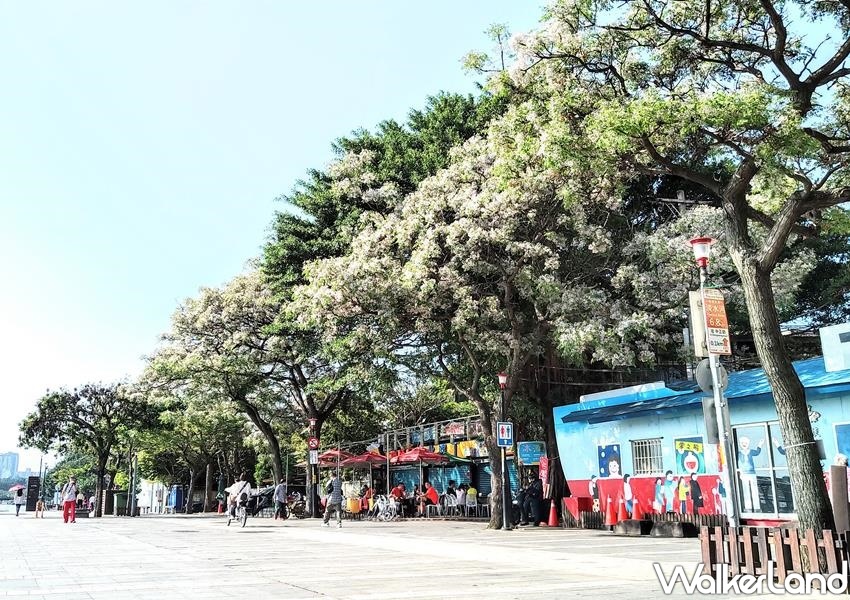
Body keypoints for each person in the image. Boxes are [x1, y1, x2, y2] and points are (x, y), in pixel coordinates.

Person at [737, 436, 763, 511]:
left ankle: (757, 507)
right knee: (746, 491)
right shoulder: (739, 453)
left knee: (754, 490)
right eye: (742, 443)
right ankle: (748, 507)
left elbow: (757, 453)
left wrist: (760, 445)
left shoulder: (750, 451)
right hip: (744, 473)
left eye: (745, 443)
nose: (744, 444)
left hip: (751, 473)